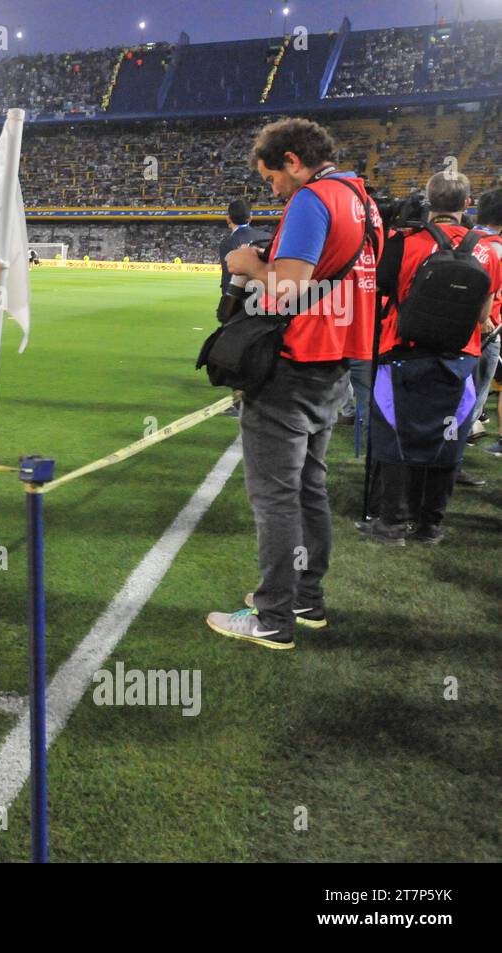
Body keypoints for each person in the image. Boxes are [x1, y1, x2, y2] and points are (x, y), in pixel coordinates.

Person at [208, 117, 382, 651]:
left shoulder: (312, 199)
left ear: (292, 160)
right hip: (335, 362)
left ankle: (272, 618)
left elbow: (286, 289)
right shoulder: (363, 199)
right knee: (308, 487)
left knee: (275, 497)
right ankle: (305, 599)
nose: (273, 190)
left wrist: (246, 263)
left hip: (295, 362)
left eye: (272, 178)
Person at [359, 171, 500, 545]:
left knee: (394, 435)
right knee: (449, 439)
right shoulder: (488, 251)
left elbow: (381, 293)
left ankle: (392, 523)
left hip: (403, 354)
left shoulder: (405, 242)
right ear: (467, 203)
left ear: (428, 200)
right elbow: (484, 316)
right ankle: (430, 525)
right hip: (459, 360)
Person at [462, 188, 502, 480]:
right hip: (486, 329)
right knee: (473, 400)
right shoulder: (497, 248)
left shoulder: (462, 240)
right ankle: (452, 456)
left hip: (455, 329)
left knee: (458, 396)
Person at [218, 199, 272, 294]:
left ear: (228, 219)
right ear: (250, 218)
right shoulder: (268, 237)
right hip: (266, 296)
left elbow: (228, 279)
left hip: (242, 298)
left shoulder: (227, 243)